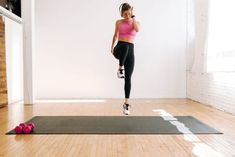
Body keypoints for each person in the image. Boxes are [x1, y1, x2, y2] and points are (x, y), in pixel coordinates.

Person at [111, 3, 140, 115]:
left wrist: (133, 17)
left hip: (130, 52)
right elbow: (115, 35)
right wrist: (111, 47)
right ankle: (120, 67)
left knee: (128, 78)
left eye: (129, 13)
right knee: (125, 46)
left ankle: (126, 104)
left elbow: (137, 29)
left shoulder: (135, 22)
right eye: (125, 13)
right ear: (122, 13)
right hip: (119, 48)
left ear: (131, 12)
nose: (127, 15)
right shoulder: (118, 22)